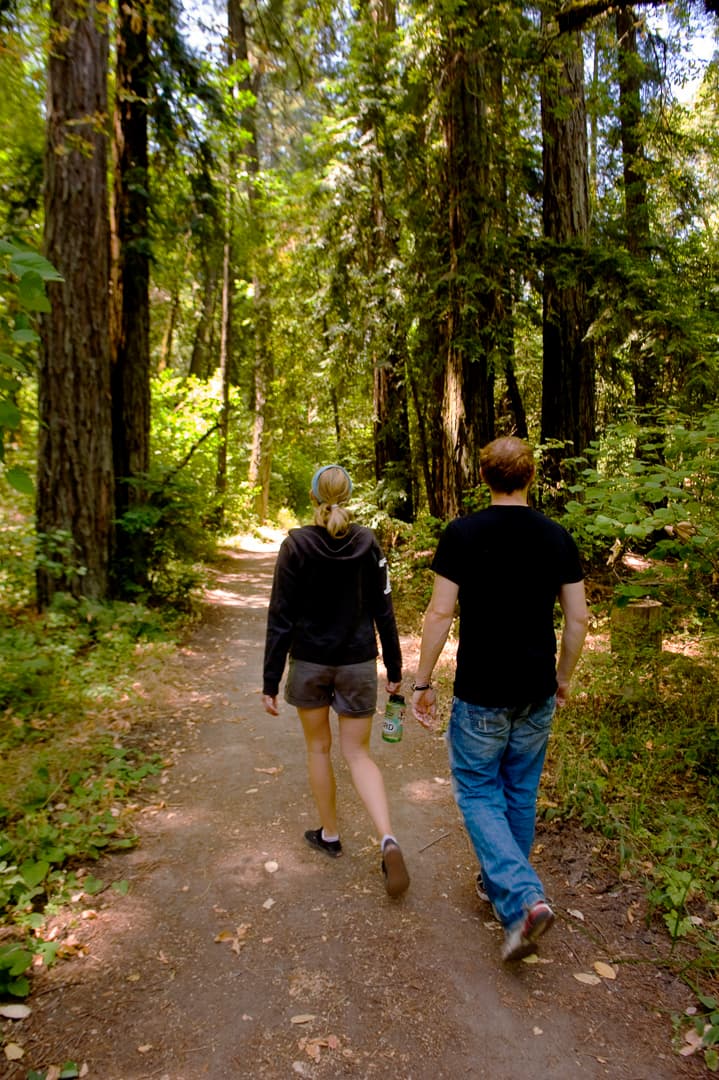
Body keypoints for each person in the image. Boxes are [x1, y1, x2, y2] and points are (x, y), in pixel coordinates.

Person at [411, 437, 588, 961]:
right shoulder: (557, 537)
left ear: (484, 477)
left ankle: (522, 897)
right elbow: (577, 619)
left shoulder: (462, 534)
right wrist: (563, 676)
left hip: (482, 693)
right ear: (530, 477)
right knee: (519, 790)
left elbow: (440, 614)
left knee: (478, 792)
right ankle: (502, 888)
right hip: (535, 690)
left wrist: (422, 683)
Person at [262, 464, 410, 898]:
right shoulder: (367, 543)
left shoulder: (295, 545)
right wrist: (396, 671)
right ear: (350, 496)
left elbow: (280, 616)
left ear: (314, 498)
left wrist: (271, 681)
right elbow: (385, 610)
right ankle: (388, 839)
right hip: (357, 665)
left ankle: (330, 834)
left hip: (309, 663)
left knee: (318, 748)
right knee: (359, 754)